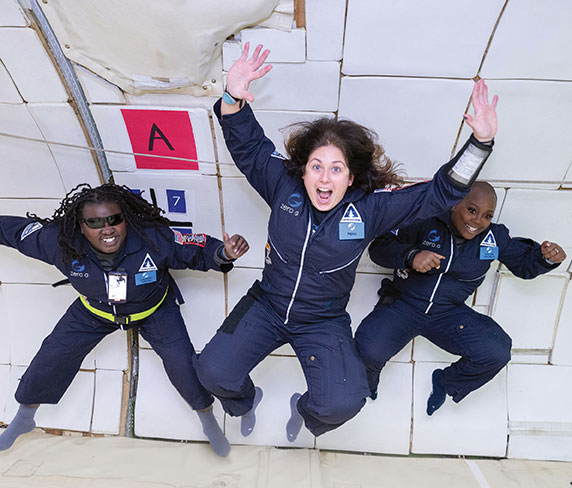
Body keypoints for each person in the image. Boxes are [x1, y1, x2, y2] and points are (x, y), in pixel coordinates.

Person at [195, 43, 499, 441]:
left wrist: (479, 145)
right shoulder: (282, 187)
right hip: (267, 304)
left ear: (351, 177)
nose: (324, 179)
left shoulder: (371, 208)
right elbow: (249, 146)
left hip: (322, 319)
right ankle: (244, 403)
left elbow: (437, 194)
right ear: (303, 171)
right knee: (212, 372)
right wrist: (233, 96)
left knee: (342, 402)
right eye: (317, 167)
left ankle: (304, 413)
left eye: (336, 169)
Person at [0, 183, 249, 457]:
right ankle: (24, 417)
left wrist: (224, 253)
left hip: (154, 310)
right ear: (81, 226)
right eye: (94, 222)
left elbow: (195, 249)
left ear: (125, 219)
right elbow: (13, 232)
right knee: (53, 354)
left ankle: (207, 420)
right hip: (95, 312)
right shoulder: (60, 241)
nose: (106, 229)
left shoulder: (154, 238)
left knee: (184, 366)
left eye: (114, 219)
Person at [355, 182, 566, 415]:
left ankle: (446, 383)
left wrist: (547, 259)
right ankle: (367, 382)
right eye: (472, 210)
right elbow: (380, 248)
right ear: (455, 205)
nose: (477, 221)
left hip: (448, 313)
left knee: (496, 351)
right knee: (368, 351)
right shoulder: (426, 220)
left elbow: (525, 265)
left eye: (487, 216)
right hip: (404, 305)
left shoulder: (494, 237)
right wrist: (412, 256)